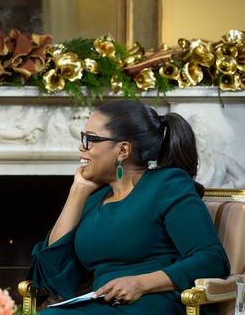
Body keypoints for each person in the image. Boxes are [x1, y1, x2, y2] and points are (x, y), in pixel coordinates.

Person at [27, 100, 230, 315]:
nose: (81, 147)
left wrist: (140, 283)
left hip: (156, 302)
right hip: (104, 305)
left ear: (123, 150)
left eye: (90, 140)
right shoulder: (95, 198)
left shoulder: (168, 184)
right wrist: (78, 191)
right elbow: (49, 274)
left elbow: (212, 260)